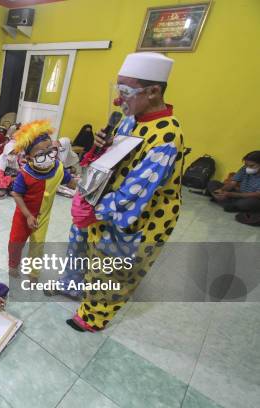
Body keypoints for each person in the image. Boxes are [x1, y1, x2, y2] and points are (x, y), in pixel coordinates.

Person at [67, 52, 186, 332]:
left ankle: (93, 317)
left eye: (125, 92)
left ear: (154, 91)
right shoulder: (131, 118)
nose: (118, 101)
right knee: (89, 251)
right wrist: (103, 144)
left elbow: (137, 192)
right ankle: (80, 290)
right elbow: (115, 160)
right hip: (106, 202)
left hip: (137, 215)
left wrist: (94, 210)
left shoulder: (167, 136)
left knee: (112, 265)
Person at [8, 120, 74, 279]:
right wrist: (28, 215)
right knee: (16, 243)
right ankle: (13, 265)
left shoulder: (58, 167)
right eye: (40, 154)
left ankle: (33, 273)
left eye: (50, 150)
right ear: (29, 156)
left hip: (42, 216)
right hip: (24, 215)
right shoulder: (25, 174)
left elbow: (70, 182)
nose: (48, 155)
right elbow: (16, 194)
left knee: (37, 246)